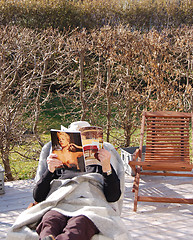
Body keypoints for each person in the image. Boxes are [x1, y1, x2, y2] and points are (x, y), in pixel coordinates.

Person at [33, 147, 121, 240]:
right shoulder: (60, 164)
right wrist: (50, 170)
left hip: (89, 205)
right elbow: (38, 196)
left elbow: (113, 197)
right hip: (60, 203)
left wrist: (106, 166)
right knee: (50, 219)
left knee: (79, 223)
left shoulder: (100, 164)